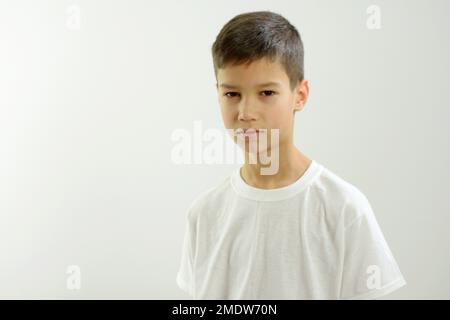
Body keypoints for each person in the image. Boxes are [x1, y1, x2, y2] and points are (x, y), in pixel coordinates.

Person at [176, 10, 406, 299]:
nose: (246, 113)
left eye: (267, 93)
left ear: (300, 95)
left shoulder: (344, 209)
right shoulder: (205, 214)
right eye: (232, 94)